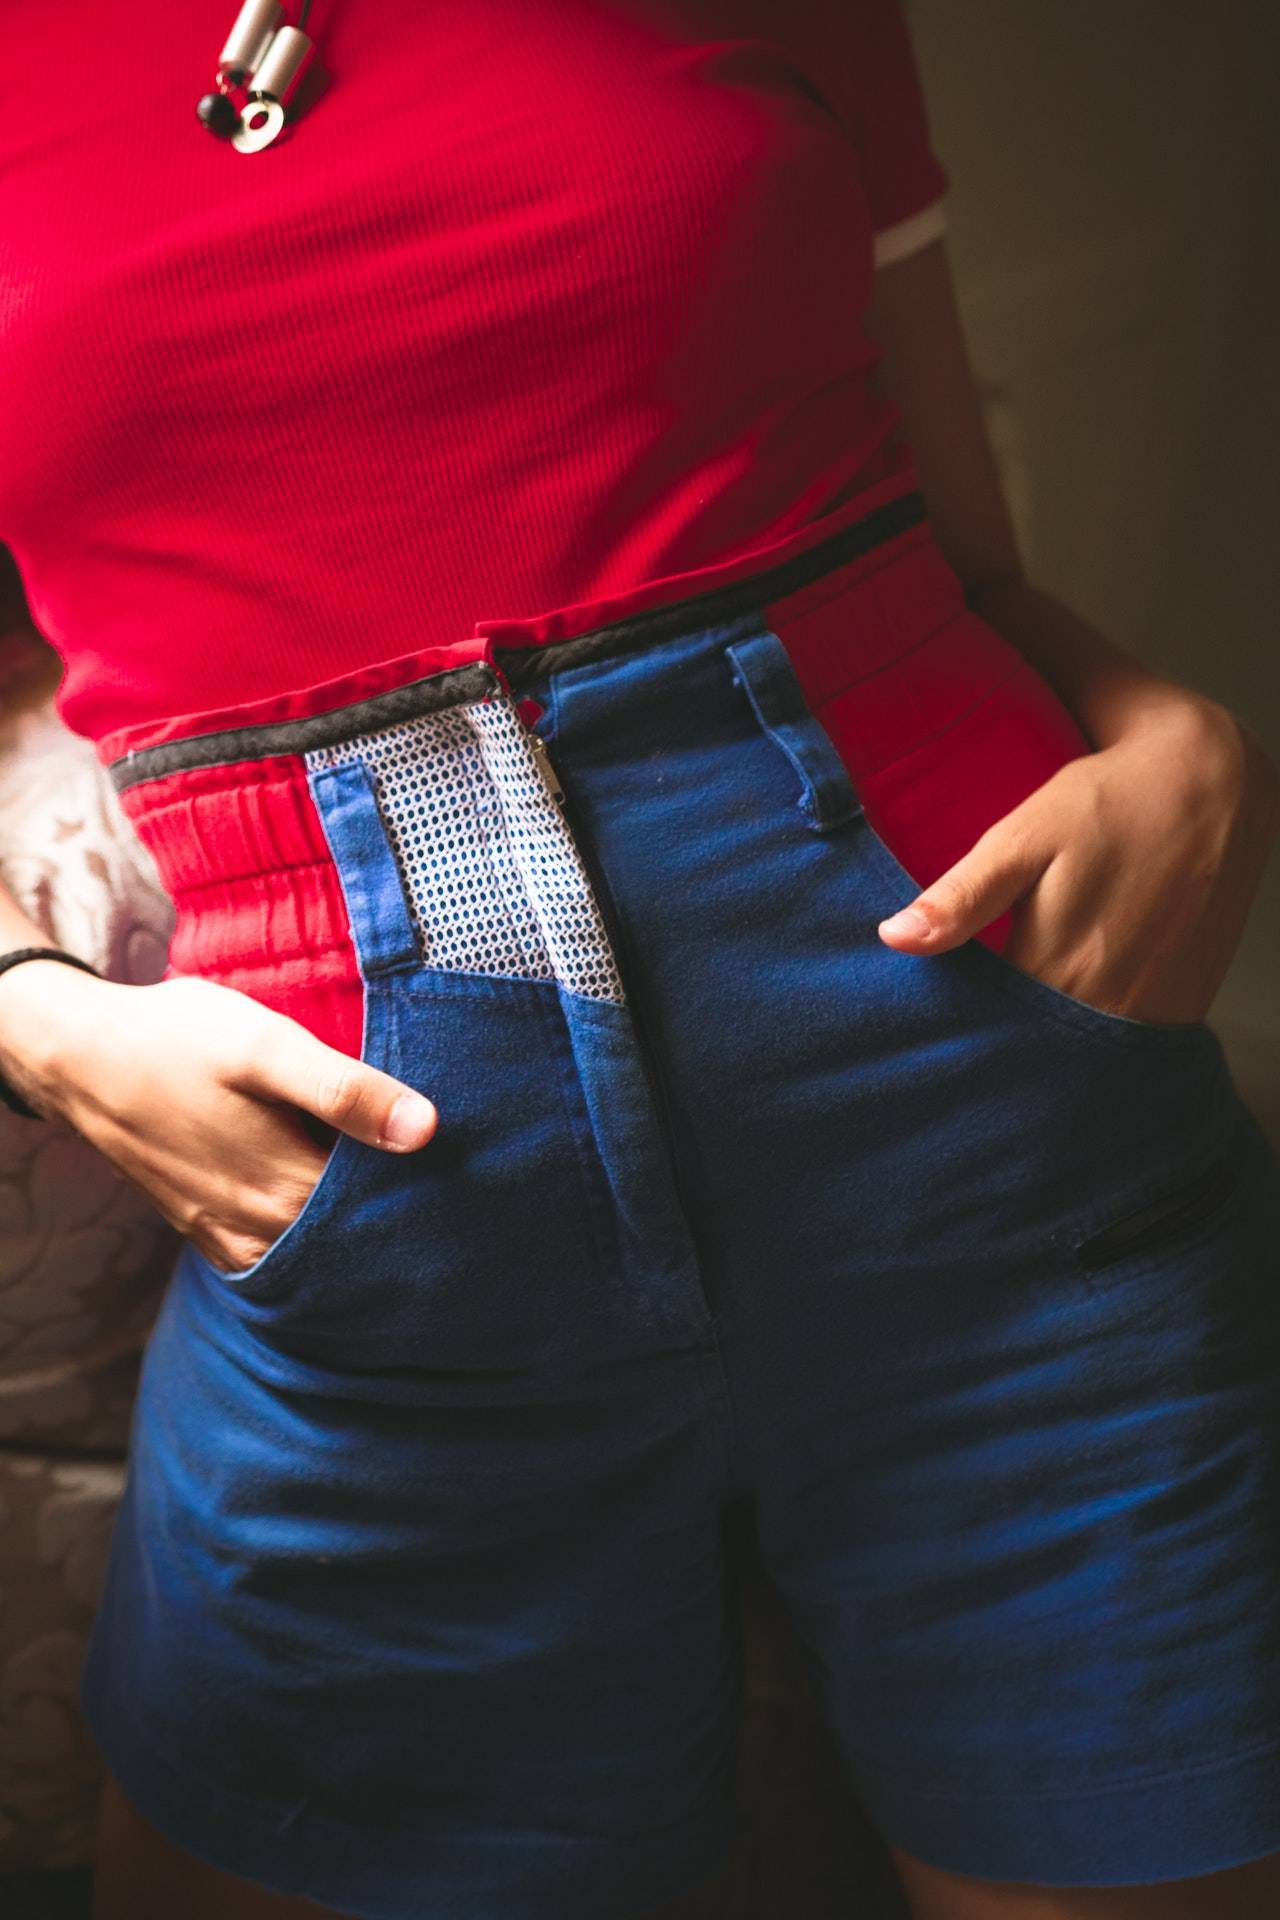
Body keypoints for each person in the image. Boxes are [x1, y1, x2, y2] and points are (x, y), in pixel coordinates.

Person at [2, 4, 1280, 1918]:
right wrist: (31, 1018)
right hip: (375, 1249)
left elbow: (968, 558)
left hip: (1006, 1145)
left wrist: (1186, 743)